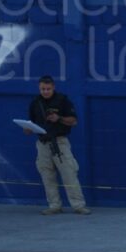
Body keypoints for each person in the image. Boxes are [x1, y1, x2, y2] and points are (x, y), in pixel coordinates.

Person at [26, 76, 90, 215]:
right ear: (39, 88)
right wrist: (28, 129)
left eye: (48, 89)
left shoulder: (63, 101)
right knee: (47, 175)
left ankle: (78, 205)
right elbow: (31, 122)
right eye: (43, 89)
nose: (46, 91)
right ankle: (54, 205)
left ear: (53, 87)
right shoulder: (35, 103)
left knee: (69, 173)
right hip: (43, 143)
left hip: (59, 142)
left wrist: (59, 118)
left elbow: (74, 121)